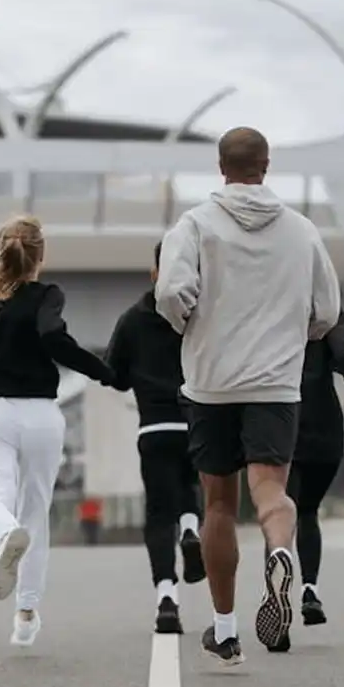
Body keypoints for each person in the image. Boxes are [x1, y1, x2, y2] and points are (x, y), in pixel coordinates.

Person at [156, 126, 340, 665]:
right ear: (266, 165)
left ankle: (225, 629)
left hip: (211, 380)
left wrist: (189, 325)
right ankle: (281, 552)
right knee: (270, 488)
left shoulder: (193, 225)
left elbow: (169, 293)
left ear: (221, 167)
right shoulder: (302, 231)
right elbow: (326, 311)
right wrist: (292, 339)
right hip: (276, 383)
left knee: (217, 501)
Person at [0, 214, 116, 647]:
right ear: (40, 256)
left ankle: (3, 536)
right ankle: (26, 614)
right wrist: (103, 373)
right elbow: (53, 338)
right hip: (41, 416)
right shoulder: (48, 295)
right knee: (36, 513)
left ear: (1, 249)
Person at [267, 308, 344, 652]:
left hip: (279, 424)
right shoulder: (329, 310)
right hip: (325, 431)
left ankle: (277, 604)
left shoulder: (271, 304)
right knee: (307, 512)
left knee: (278, 513)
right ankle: (309, 588)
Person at [105, 241, 206, 636]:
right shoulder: (201, 316)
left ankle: (167, 599)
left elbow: (114, 375)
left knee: (157, 514)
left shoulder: (133, 319)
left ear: (154, 273)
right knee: (191, 485)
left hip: (154, 428)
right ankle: (191, 527)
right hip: (195, 421)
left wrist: (136, 377)